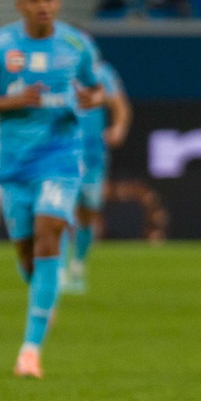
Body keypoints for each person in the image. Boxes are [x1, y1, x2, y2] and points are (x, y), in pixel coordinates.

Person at [0, 0, 108, 377]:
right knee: (28, 256)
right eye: (33, 0)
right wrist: (14, 101)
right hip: (14, 167)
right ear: (20, 5)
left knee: (49, 233)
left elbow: (98, 91)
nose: (42, 5)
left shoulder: (77, 44)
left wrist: (88, 98)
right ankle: (45, 299)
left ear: (57, 2)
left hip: (62, 158)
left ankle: (29, 352)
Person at [64, 57, 132, 295]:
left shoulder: (101, 72)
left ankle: (78, 265)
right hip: (62, 151)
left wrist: (118, 127)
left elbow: (120, 105)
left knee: (88, 212)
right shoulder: (57, 70)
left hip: (93, 153)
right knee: (60, 209)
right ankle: (59, 269)